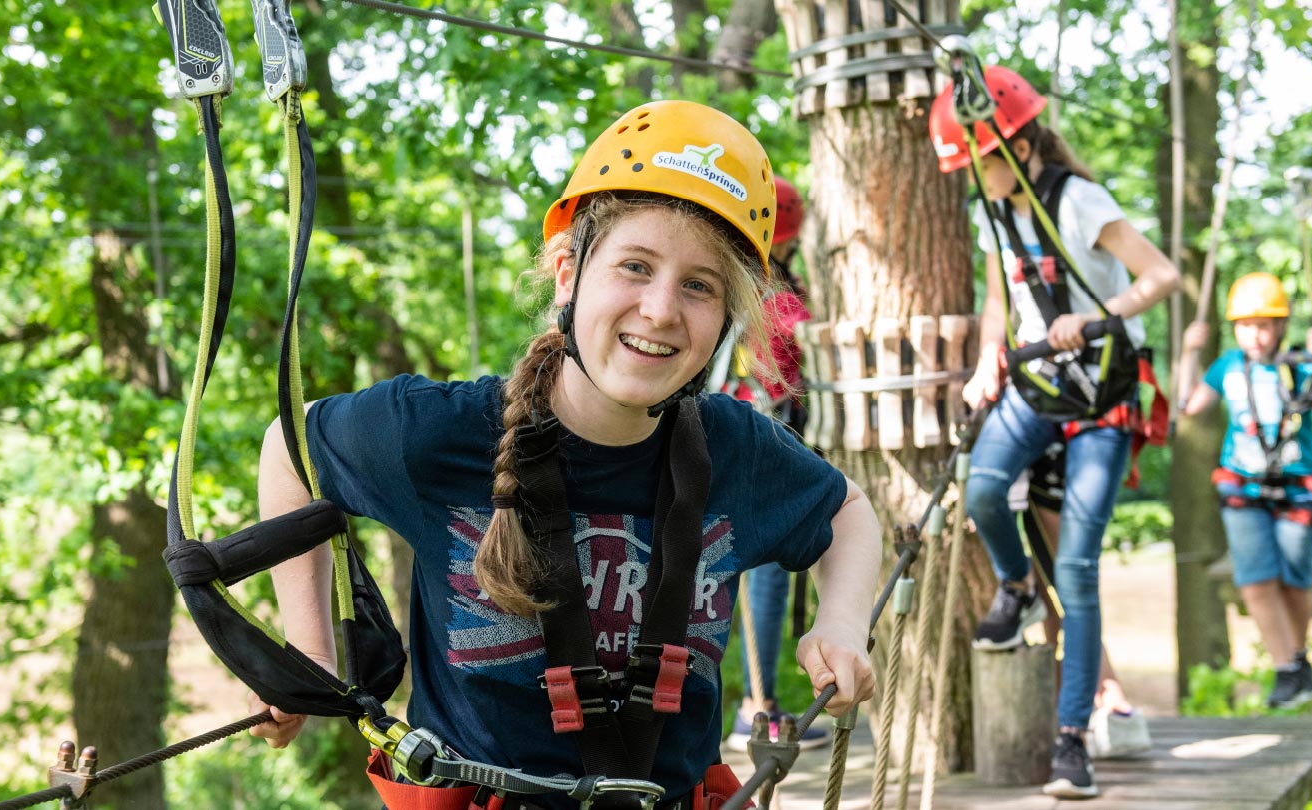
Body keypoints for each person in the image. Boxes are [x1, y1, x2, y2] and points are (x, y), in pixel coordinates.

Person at [246, 100, 879, 810]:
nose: (662, 309)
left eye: (700, 286)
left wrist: (843, 622)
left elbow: (848, 511)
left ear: (728, 318)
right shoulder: (439, 435)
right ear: (567, 273)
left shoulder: (736, 450)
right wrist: (309, 650)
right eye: (635, 266)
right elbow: (288, 444)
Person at [931, 65, 1180, 799]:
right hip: (1036, 385)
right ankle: (1015, 588)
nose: (978, 174)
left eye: (982, 159)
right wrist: (985, 360)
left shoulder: (1080, 201)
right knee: (982, 491)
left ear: (1018, 142)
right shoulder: (995, 207)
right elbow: (999, 294)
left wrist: (1096, 316)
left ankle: (1073, 742)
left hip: (1101, 392)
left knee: (1077, 566)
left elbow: (1161, 275)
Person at [1178, 271, 1312, 710]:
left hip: (1298, 485)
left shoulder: (1302, 365)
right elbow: (1188, 407)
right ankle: (1287, 668)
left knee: (1293, 581)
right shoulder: (1228, 368)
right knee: (1255, 581)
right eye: (1245, 325)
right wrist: (1188, 354)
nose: (1255, 334)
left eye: (1265, 324)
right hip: (1244, 485)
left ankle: (1297, 659)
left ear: (1281, 325)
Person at [712, 177, 829, 750]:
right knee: (768, 575)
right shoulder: (773, 295)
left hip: (743, 443)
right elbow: (800, 330)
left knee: (758, 573)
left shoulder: (735, 286)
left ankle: (756, 702)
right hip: (765, 447)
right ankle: (758, 707)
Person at [1009, 445, 1151, 759]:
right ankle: (1093, 700)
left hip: (1052, 458)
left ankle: (1110, 699)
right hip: (1042, 459)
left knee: (1069, 586)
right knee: (1052, 581)